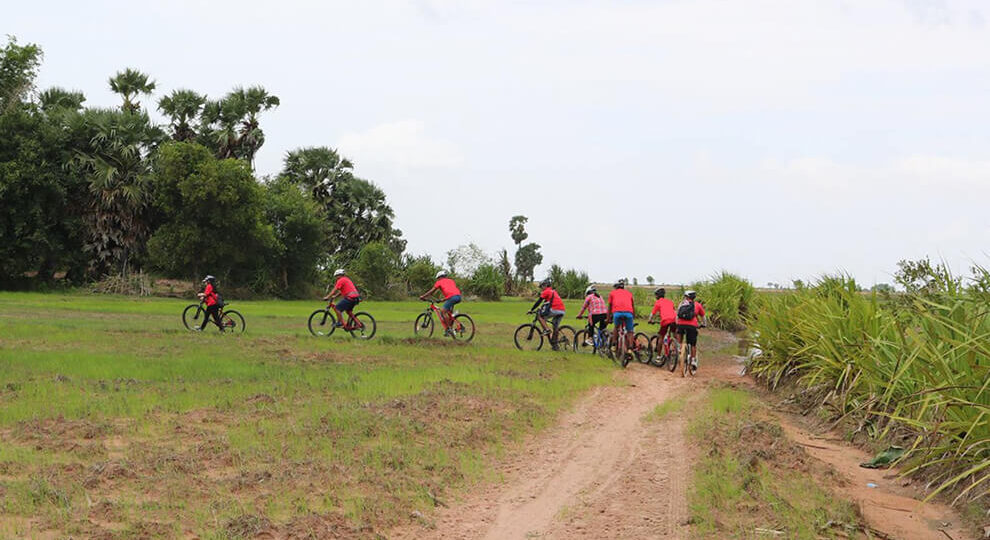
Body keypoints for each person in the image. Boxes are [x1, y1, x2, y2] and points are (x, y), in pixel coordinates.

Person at [530, 279, 566, 348]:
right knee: (555, 327)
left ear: (545, 285)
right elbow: (547, 303)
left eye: (542, 286)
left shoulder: (546, 291)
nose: (542, 289)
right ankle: (555, 344)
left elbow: (539, 301)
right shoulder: (553, 292)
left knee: (539, 316)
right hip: (562, 310)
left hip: (555, 309)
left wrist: (532, 309)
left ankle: (547, 329)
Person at [675, 290, 707, 369]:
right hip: (692, 326)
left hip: (681, 325)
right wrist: (704, 324)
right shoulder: (698, 305)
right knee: (692, 344)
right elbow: (703, 316)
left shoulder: (681, 304)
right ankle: (693, 360)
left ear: (686, 297)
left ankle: (679, 349)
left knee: (679, 336)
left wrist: (677, 324)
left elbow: (677, 315)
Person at [607, 279, 636, 353]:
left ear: (616, 287)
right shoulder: (629, 293)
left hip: (617, 313)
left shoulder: (612, 293)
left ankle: (613, 345)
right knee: (630, 332)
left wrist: (608, 319)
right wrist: (633, 316)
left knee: (616, 327)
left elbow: (609, 307)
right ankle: (630, 348)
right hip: (629, 314)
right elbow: (633, 306)